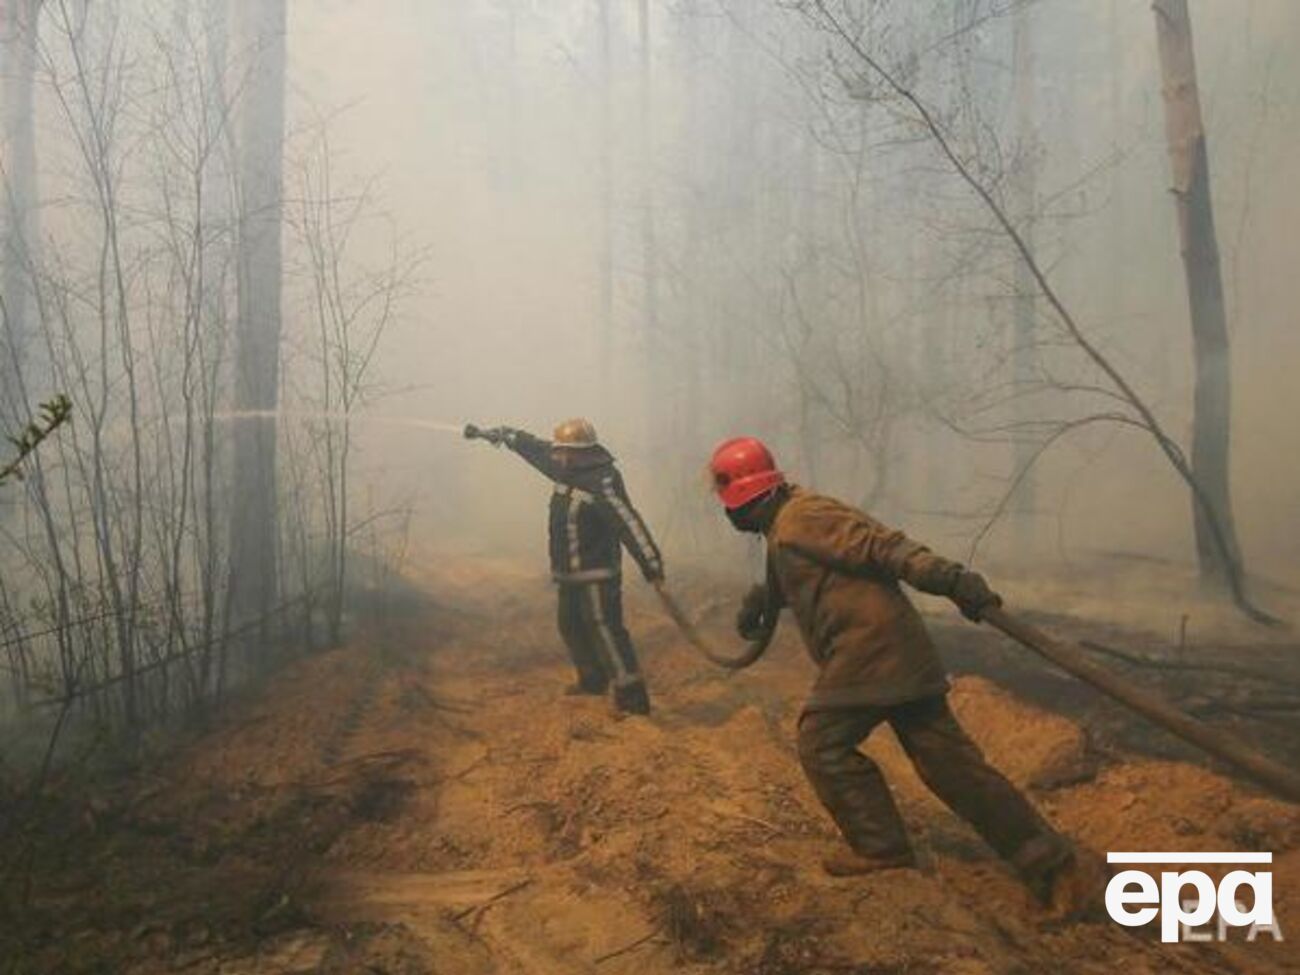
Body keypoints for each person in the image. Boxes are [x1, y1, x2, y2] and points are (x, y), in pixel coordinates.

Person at [708, 435, 1086, 908]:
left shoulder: (804, 517)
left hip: (870, 654)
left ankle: (881, 846)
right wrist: (759, 603)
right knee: (952, 767)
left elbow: (881, 547)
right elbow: (806, 573)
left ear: (743, 495)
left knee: (822, 743)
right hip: (899, 654)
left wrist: (950, 580)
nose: (729, 515)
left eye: (728, 503)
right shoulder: (786, 523)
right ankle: (1049, 863)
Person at [466, 418, 662, 715]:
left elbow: (628, 522)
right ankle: (592, 681)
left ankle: (632, 698)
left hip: (597, 574)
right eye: (558, 452)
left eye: (564, 451)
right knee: (569, 625)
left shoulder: (603, 480)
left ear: (583, 452)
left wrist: (651, 564)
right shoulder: (562, 464)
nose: (557, 457)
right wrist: (505, 435)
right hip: (568, 574)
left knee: (606, 631)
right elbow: (535, 448)